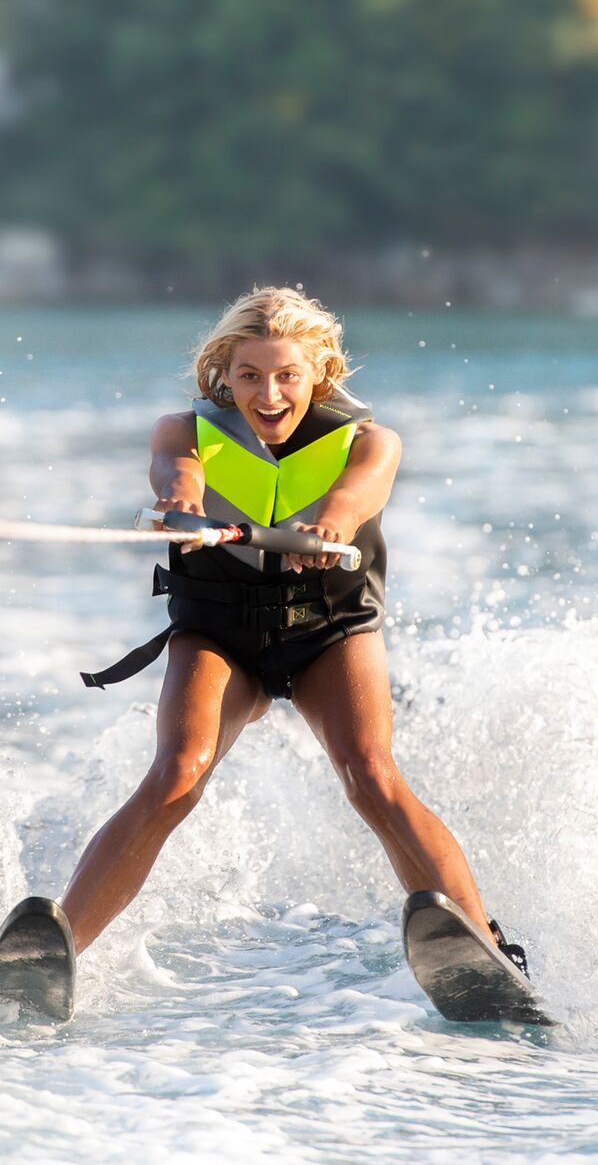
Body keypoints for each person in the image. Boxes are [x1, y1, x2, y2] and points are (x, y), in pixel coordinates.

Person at [63, 286, 525, 971]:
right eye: (249, 375)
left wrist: (327, 526)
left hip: (328, 630)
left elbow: (356, 493)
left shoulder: (371, 442)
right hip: (220, 634)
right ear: (224, 374)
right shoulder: (181, 431)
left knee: (369, 774)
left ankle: (490, 952)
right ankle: (53, 952)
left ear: (319, 374)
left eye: (287, 375)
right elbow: (177, 473)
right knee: (176, 773)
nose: (269, 393)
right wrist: (182, 507)